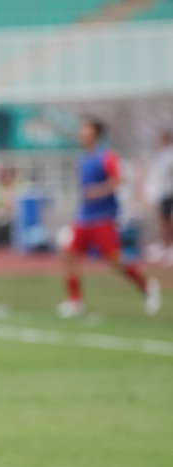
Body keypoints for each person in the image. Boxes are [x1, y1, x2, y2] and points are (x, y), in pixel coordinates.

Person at [58, 116, 161, 317]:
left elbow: (118, 180)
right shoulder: (82, 158)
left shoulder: (106, 156)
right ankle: (75, 301)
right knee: (69, 257)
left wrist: (99, 190)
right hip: (84, 218)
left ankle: (146, 285)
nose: (81, 132)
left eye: (85, 129)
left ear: (95, 133)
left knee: (115, 262)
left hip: (103, 218)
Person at [145, 129, 173, 267]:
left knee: (167, 220)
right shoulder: (160, 155)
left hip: (169, 192)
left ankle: (169, 246)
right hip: (162, 193)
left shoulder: (169, 154)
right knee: (163, 219)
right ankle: (165, 246)